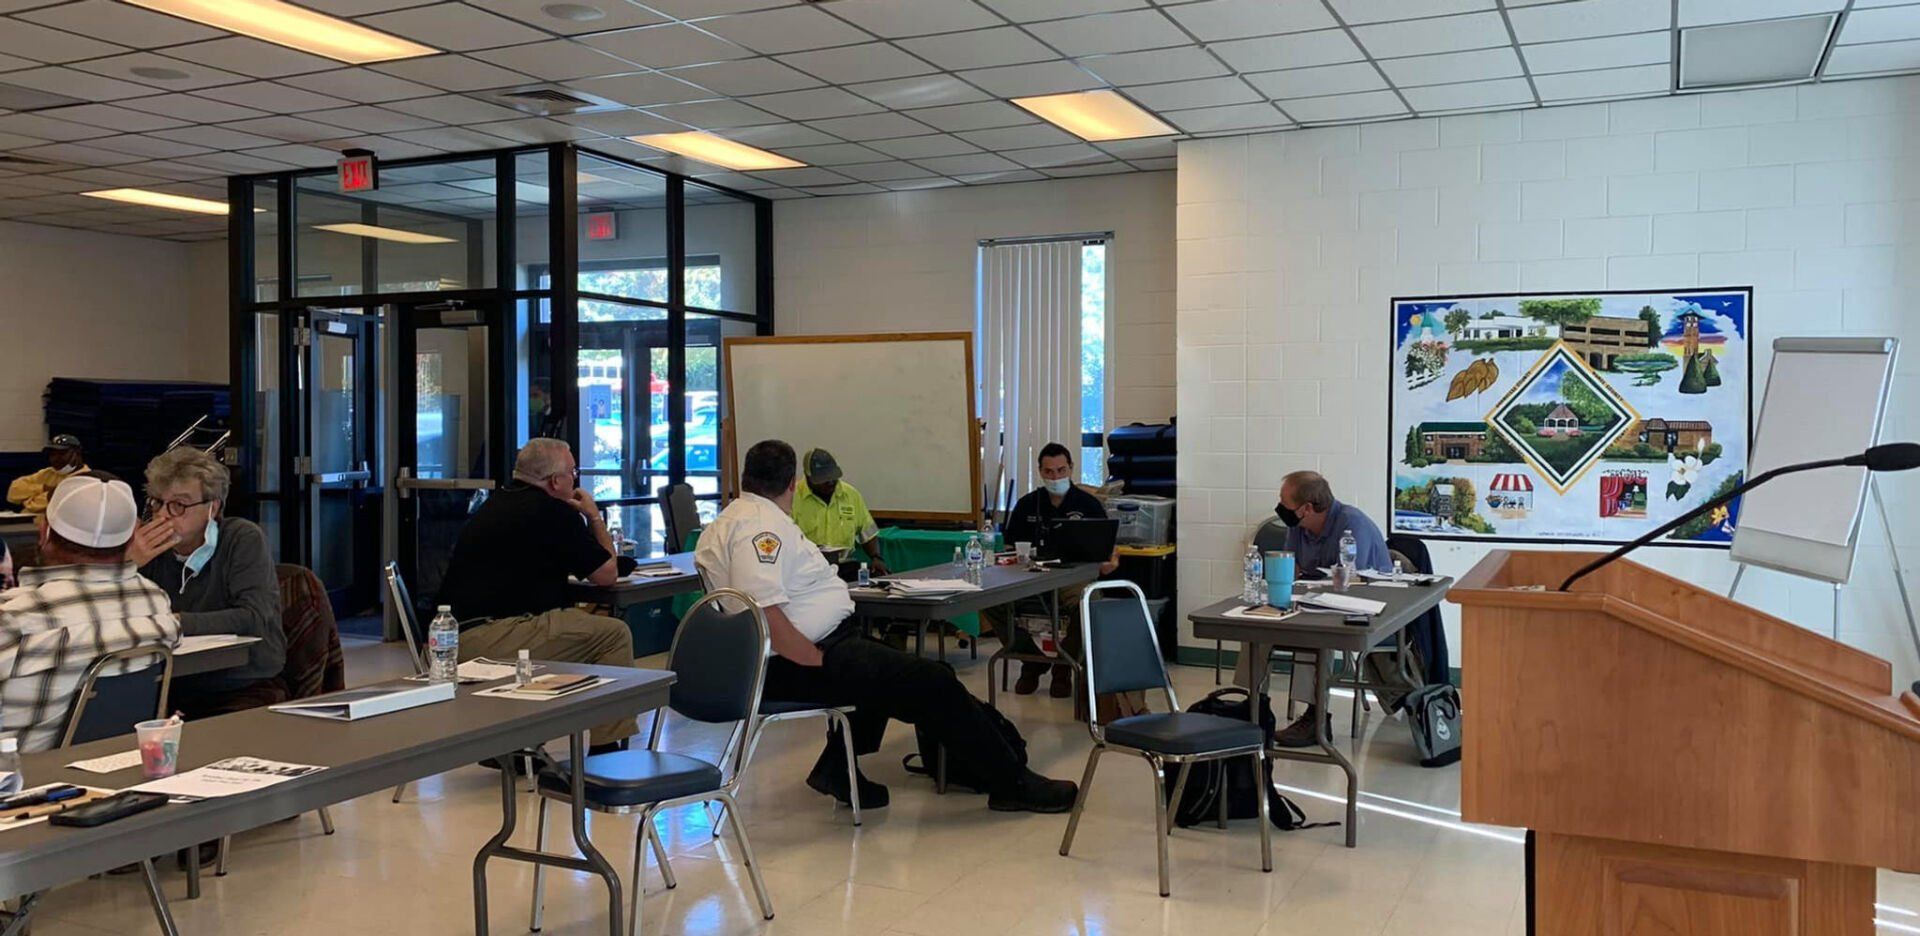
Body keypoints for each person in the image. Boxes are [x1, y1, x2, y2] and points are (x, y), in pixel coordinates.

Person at [696, 439, 1077, 814]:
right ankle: (1012, 783)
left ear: (747, 477)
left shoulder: (730, 519)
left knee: (900, 671)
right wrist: (817, 660)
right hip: (794, 658)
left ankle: (838, 769)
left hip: (793, 652)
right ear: (793, 483)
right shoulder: (761, 527)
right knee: (932, 681)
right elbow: (765, 611)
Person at [437, 438, 637, 752]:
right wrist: (594, 517)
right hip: (494, 637)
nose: (576, 479)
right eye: (574, 472)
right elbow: (606, 574)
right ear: (556, 482)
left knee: (573, 624)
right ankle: (606, 748)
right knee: (613, 634)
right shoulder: (553, 513)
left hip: (453, 638)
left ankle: (517, 743)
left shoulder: (496, 504)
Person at [1, 476, 180, 751]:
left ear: (45, 533)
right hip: (109, 777)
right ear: (132, 536)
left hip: (19, 784)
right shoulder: (155, 602)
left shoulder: (14, 618)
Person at [126, 448, 286, 718]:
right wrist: (129, 565)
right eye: (157, 503)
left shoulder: (241, 538)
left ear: (212, 507)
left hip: (241, 678)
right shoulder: (149, 549)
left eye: (179, 505)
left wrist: (176, 622)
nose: (163, 515)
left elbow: (253, 617)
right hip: (170, 679)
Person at [1257, 470, 1393, 747]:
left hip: (1362, 606)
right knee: (1257, 627)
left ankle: (1315, 718)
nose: (1281, 508)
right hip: (1315, 599)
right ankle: (1253, 706)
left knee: (1312, 635)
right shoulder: (1298, 526)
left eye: (1285, 502)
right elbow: (1292, 567)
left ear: (1307, 508)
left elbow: (1355, 583)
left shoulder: (1352, 526)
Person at [994, 443, 1119, 698]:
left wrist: (1108, 561)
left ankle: (1064, 667)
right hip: (1028, 577)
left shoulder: (1088, 504)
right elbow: (1008, 547)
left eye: (1061, 470)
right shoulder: (1028, 504)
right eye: (1049, 472)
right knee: (990, 601)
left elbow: (1108, 547)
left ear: (1071, 469)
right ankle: (1032, 660)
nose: (1055, 477)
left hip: (1072, 578)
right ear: (1040, 472)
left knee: (1090, 602)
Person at [790, 448, 887, 575]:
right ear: (808, 476)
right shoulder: (791, 497)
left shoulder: (851, 495)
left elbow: (867, 533)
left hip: (844, 566)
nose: (830, 482)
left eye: (833, 477)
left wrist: (876, 557)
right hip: (806, 568)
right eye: (824, 479)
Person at [6, 435, 87, 515]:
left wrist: (27, 501)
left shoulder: (85, 478)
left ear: (77, 453)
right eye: (52, 454)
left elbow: (34, 506)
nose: (56, 458)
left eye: (62, 453)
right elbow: (13, 492)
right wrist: (43, 488)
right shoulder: (48, 473)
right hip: (29, 523)